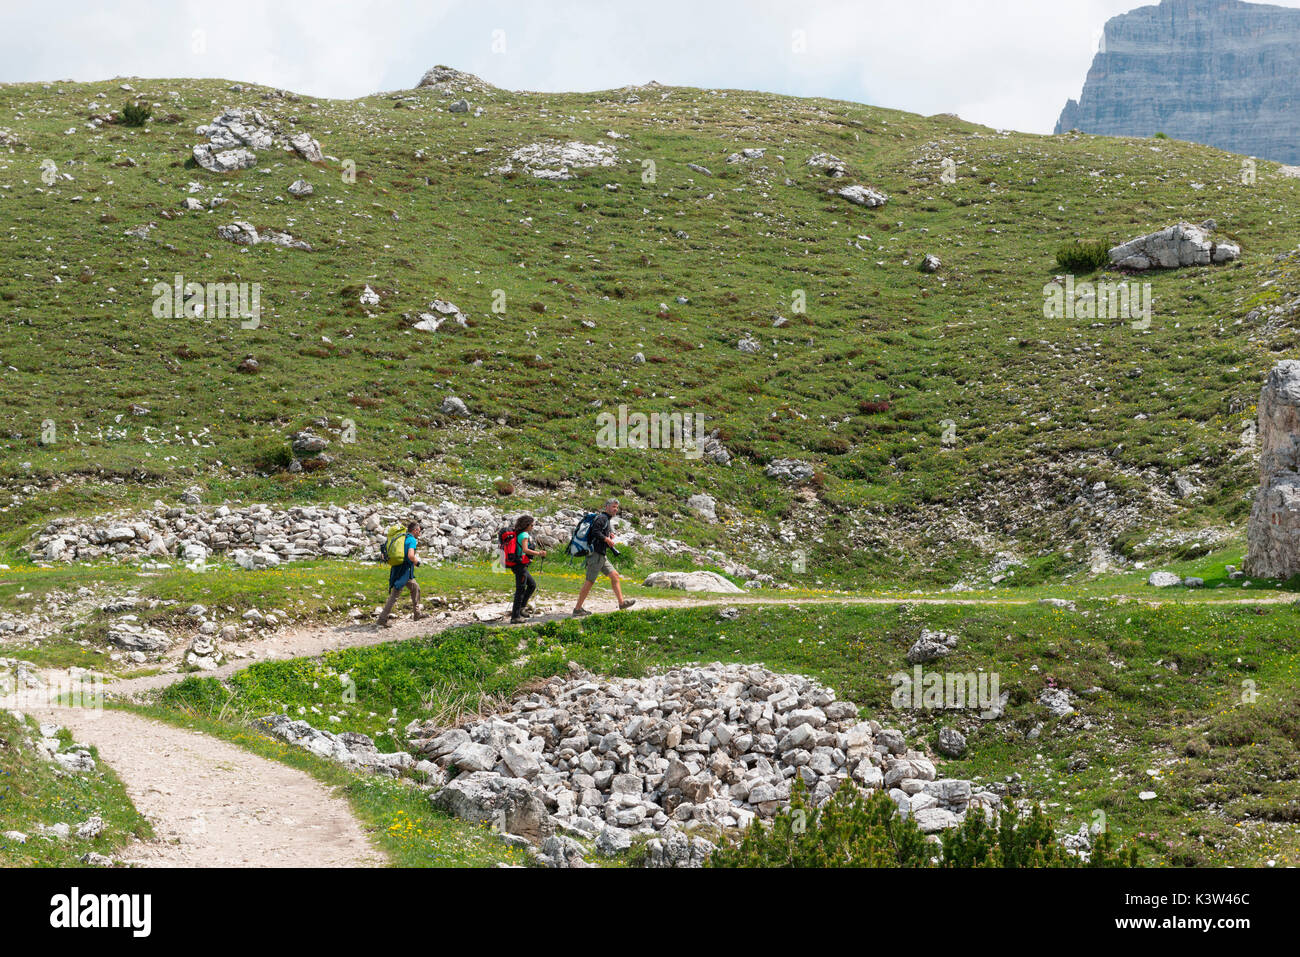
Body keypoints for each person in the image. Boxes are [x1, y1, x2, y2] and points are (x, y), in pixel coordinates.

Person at [572, 498, 636, 617]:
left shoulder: (606, 519)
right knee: (590, 581)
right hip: (595, 554)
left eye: (617, 507)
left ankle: (621, 603)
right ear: (606, 507)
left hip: (601, 555)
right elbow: (595, 532)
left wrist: (608, 535)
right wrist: (606, 539)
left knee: (615, 576)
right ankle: (577, 609)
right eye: (613, 507)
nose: (615, 509)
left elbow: (598, 532)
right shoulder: (602, 518)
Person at [378, 521, 423, 628]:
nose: (420, 534)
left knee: (415, 587)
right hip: (404, 571)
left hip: (398, 569)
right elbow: (411, 555)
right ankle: (382, 619)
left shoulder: (403, 538)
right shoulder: (412, 540)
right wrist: (417, 562)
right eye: (419, 531)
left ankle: (417, 614)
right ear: (415, 531)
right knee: (395, 595)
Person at [509, 515, 546, 623]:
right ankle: (515, 617)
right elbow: (525, 549)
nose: (533, 527)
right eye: (532, 525)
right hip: (519, 565)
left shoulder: (519, 533)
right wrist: (539, 553)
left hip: (518, 564)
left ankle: (521, 608)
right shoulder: (524, 534)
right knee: (520, 590)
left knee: (532, 585)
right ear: (527, 525)